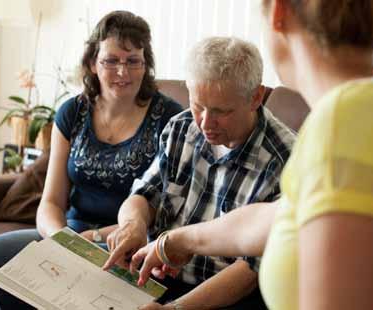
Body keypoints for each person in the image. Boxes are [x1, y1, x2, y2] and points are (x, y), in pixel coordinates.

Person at [129, 1, 373, 309]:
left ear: (279, 14)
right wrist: (177, 241)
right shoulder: (371, 112)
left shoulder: (351, 128)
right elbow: (271, 220)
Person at [0, 10, 182, 309]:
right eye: (111, 60)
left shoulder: (170, 119)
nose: (122, 72)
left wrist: (93, 237)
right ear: (92, 63)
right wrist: (63, 242)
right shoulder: (72, 112)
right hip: (72, 234)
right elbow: (51, 202)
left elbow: (163, 211)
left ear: (145, 64)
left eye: (133, 60)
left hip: (129, 242)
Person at [102, 36, 295, 309]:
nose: (205, 123)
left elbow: (251, 271)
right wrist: (133, 225)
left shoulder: (287, 161)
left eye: (220, 111)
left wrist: (176, 308)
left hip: (224, 296)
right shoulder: (181, 127)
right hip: (156, 273)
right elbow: (145, 193)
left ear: (256, 97)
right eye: (198, 106)